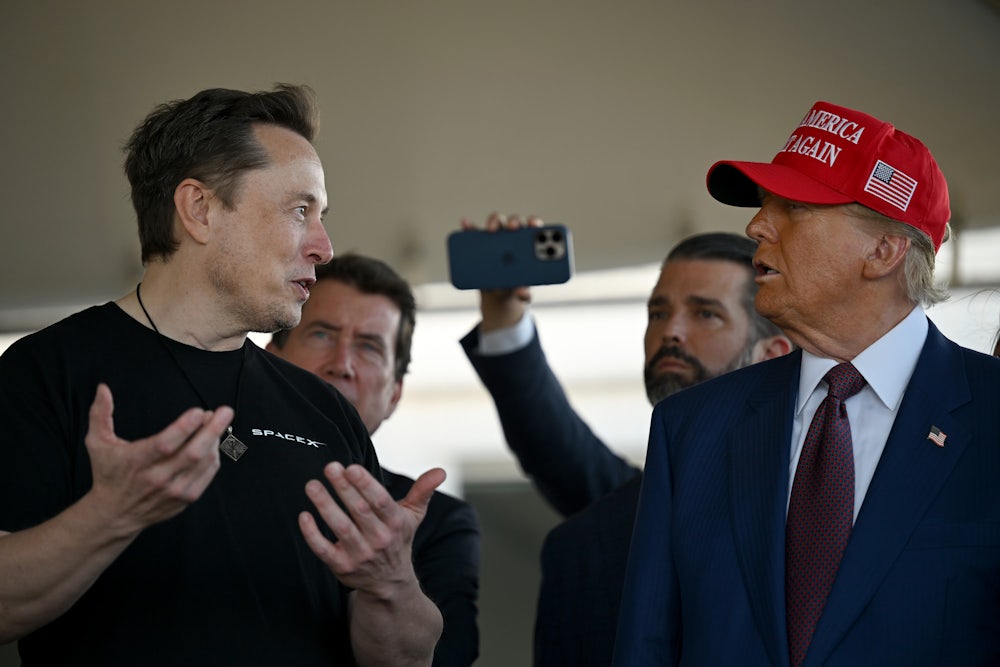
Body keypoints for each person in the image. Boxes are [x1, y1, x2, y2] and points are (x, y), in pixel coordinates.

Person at [0, 84, 443, 666]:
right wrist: (110, 515)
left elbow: (409, 659)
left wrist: (390, 583)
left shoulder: (324, 410)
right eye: (299, 210)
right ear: (200, 209)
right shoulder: (45, 374)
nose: (324, 247)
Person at [614, 100, 1000, 666]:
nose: (755, 226)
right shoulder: (691, 428)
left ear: (883, 250)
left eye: (793, 207)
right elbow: (647, 647)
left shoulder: (989, 414)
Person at [460, 218, 791, 666]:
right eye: (658, 313)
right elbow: (559, 452)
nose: (671, 331)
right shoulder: (611, 526)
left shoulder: (827, 501)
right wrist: (502, 315)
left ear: (772, 353)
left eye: (705, 313)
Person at [267, 252, 481, 666]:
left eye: (368, 347)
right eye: (321, 335)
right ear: (270, 358)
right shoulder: (205, 472)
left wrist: (391, 580)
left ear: (394, 395)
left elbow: (446, 658)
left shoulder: (441, 523)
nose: (342, 365)